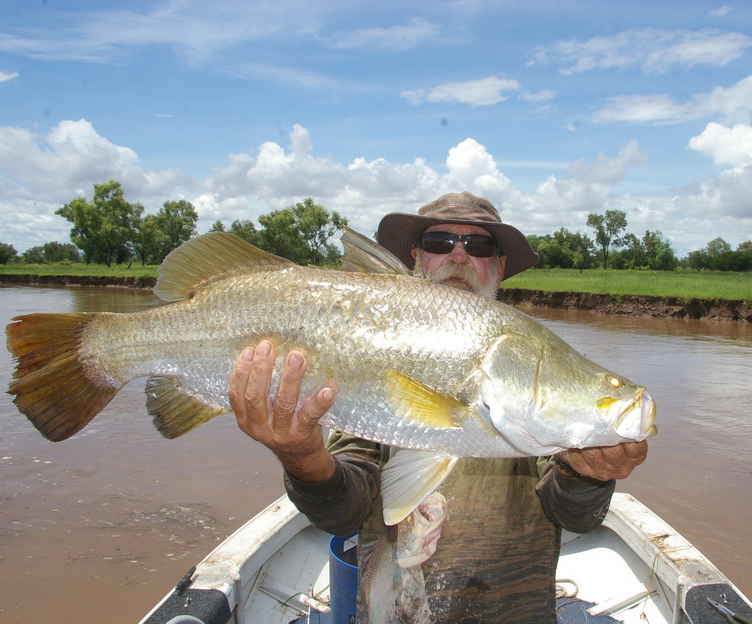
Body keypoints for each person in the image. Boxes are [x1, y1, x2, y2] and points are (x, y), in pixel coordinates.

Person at [229, 192, 648, 623]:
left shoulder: (529, 367)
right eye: (439, 243)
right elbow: (341, 514)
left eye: (480, 246)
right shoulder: (375, 345)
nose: (460, 256)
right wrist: (301, 455)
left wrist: (586, 473)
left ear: (499, 266)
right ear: (416, 258)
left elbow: (574, 515)